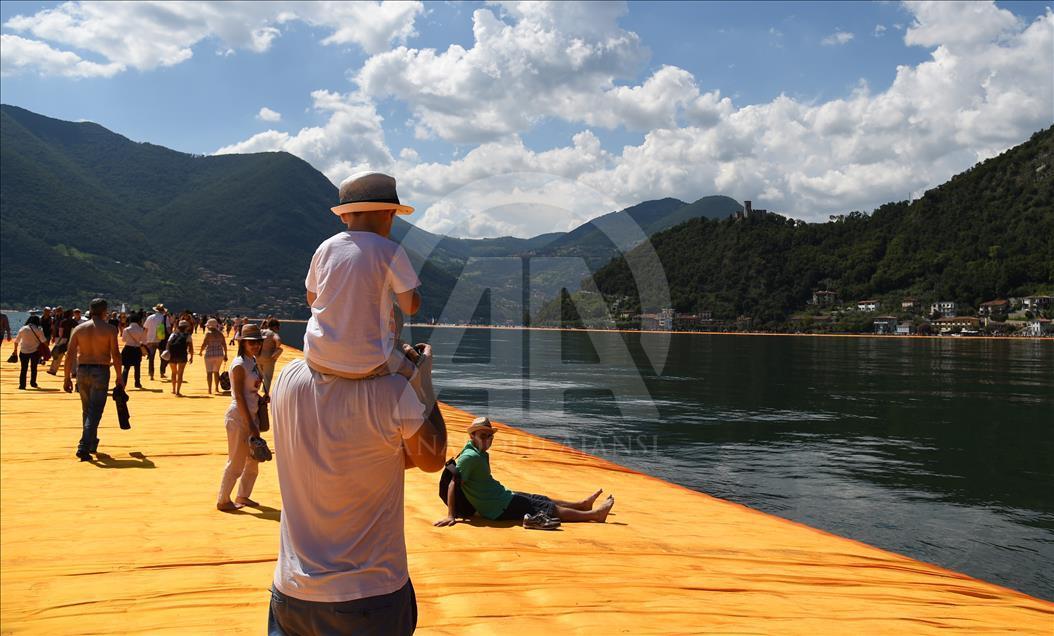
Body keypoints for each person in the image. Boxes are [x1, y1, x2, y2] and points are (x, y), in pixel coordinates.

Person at [268, 172, 446, 634]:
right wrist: (419, 378)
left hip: (290, 593)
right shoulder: (392, 394)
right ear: (387, 215)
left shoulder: (284, 382)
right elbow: (432, 460)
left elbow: (312, 296)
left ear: (345, 215)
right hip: (370, 598)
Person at [434, 417, 614, 528]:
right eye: (483, 436)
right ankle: (594, 515)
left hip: (502, 497)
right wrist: (451, 515)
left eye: (490, 436)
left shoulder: (478, 453)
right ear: (472, 436)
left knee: (541, 499)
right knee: (547, 509)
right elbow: (454, 483)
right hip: (498, 508)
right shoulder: (469, 457)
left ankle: (581, 505)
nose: (488, 440)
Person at [64, 298, 123, 461]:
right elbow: (115, 354)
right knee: (96, 409)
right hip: (101, 370)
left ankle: (92, 442)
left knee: (87, 409)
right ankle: (84, 445)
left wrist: (66, 377)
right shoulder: (110, 329)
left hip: (82, 370)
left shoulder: (79, 328)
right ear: (105, 311)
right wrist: (120, 376)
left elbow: (69, 355)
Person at [217, 324, 266, 511]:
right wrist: (251, 425)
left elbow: (249, 390)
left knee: (253, 460)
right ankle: (223, 499)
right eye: (251, 342)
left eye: (258, 342)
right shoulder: (238, 364)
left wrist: (261, 398)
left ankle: (243, 496)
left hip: (251, 415)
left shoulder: (251, 361)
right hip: (239, 416)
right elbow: (238, 395)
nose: (256, 345)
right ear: (243, 343)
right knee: (236, 461)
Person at [15, 315, 47, 390]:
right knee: (33, 368)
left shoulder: (23, 329)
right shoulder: (39, 330)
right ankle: (33, 383)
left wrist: (15, 351)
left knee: (23, 368)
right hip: (35, 351)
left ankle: (22, 385)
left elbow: (16, 341)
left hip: (23, 351)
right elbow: (44, 341)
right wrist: (46, 348)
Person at [199, 318, 228, 394]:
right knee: (216, 372)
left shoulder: (208, 334)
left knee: (209, 373)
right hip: (219, 355)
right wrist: (226, 355)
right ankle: (216, 388)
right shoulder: (220, 333)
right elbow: (224, 345)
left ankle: (209, 389)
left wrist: (200, 351)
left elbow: (204, 344)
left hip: (209, 355)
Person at [166, 319, 193, 396]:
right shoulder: (188, 336)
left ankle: (173, 389)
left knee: (174, 373)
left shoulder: (173, 334)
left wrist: (167, 352)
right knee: (180, 374)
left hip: (173, 355)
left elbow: (168, 344)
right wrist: (191, 357)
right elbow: (191, 348)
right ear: (186, 327)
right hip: (182, 355)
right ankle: (178, 392)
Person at [46, 309, 77, 376]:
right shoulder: (74, 322)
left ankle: (53, 370)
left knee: (58, 355)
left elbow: (60, 332)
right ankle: (74, 372)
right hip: (72, 339)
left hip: (63, 339)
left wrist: (58, 339)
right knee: (73, 356)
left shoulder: (63, 321)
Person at [121, 312, 147, 389]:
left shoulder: (126, 330)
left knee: (126, 367)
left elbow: (123, 340)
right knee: (137, 366)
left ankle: (123, 383)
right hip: (137, 349)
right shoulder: (141, 330)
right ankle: (137, 383)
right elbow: (144, 341)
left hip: (128, 348)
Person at [258, 318, 283, 393]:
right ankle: (265, 394)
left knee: (258, 376)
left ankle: (254, 391)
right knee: (267, 377)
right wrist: (277, 348)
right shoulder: (273, 334)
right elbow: (278, 340)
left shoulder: (261, 331)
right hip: (268, 358)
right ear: (275, 326)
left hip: (258, 357)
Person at [143, 304, 167, 380]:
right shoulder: (164, 318)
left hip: (150, 340)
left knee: (151, 358)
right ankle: (162, 372)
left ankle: (151, 374)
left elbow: (145, 329)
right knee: (163, 357)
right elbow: (168, 329)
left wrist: (144, 339)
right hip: (161, 340)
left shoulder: (150, 317)